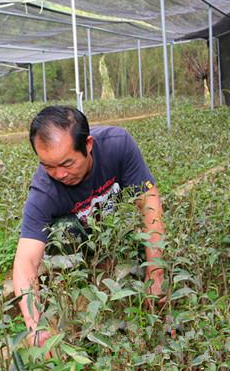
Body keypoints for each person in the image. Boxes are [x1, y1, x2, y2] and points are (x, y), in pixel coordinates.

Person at [12, 106, 166, 347]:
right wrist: (35, 326)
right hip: (75, 253)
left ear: (88, 145)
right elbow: (25, 262)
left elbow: (149, 203)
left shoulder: (118, 145)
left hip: (112, 235)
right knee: (63, 231)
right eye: (48, 166)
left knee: (135, 238)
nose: (59, 174)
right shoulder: (44, 192)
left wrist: (156, 273)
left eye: (67, 163)